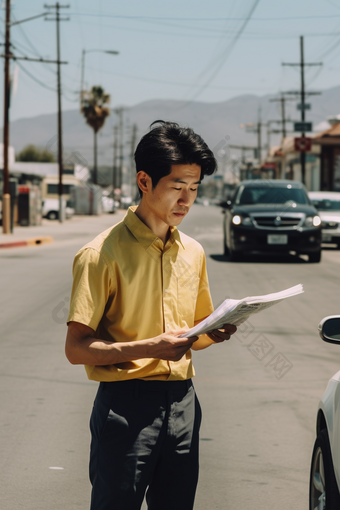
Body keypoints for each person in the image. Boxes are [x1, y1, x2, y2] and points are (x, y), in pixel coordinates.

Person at [65, 120, 237, 510]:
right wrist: (151, 348)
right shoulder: (100, 254)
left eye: (194, 188)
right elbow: (76, 348)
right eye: (177, 187)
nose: (186, 200)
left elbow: (196, 332)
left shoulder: (193, 251)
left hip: (183, 402)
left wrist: (217, 330)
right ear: (144, 181)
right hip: (126, 406)